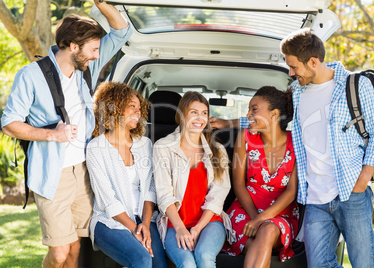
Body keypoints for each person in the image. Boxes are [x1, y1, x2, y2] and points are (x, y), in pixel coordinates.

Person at [212, 28, 374, 267]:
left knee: (364, 263)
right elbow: (268, 120)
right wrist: (227, 123)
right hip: (315, 198)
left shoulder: (356, 85)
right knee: (318, 265)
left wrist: (362, 180)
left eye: (294, 67)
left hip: (350, 191)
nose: (290, 72)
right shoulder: (297, 92)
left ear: (313, 62)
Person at [0, 1, 133, 267]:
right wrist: (53, 135)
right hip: (53, 174)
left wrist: (101, 4)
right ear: (74, 47)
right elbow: (8, 123)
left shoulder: (86, 68)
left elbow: (122, 32)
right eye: (93, 49)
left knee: (75, 250)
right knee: (59, 252)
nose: (97, 56)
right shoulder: (31, 76)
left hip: (83, 172)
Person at [86, 82, 167, 268]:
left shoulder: (144, 144)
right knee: (141, 260)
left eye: (140, 108)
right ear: (114, 107)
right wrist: (134, 229)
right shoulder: (96, 148)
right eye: (132, 106)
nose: (138, 112)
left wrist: (145, 225)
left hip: (143, 218)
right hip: (109, 221)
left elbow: (149, 189)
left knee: (159, 265)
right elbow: (108, 201)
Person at [221, 86, 299, 267]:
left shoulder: (296, 142)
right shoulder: (245, 137)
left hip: (281, 212)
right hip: (245, 210)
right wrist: (254, 217)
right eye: (249, 109)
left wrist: (260, 220)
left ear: (274, 114)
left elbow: (291, 191)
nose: (248, 114)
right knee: (260, 240)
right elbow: (239, 184)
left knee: (268, 230)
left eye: (254, 109)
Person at [153, 91, 232, 268]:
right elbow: (164, 194)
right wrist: (181, 228)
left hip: (209, 221)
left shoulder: (218, 150)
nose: (200, 118)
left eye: (204, 113)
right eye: (194, 112)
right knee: (187, 264)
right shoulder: (163, 147)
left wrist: (197, 228)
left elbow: (218, 196)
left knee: (204, 256)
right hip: (174, 223)